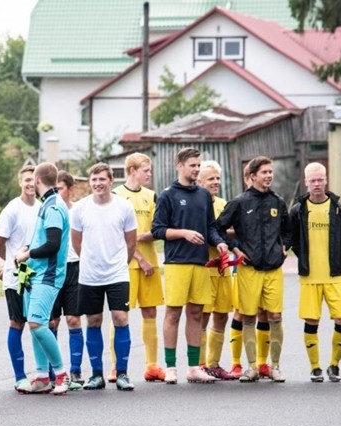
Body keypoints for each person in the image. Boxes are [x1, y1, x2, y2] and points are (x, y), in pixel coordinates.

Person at [151, 147, 227, 384]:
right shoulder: (167, 195)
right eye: (192, 165)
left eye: (198, 165)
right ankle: (171, 367)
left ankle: (193, 367)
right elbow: (157, 230)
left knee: (196, 313)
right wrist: (183, 233)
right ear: (180, 166)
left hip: (201, 263)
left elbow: (210, 227)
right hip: (177, 263)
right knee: (173, 313)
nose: (196, 169)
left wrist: (221, 243)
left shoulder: (204, 195)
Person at [215, 156, 291, 383]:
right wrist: (235, 249)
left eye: (270, 172)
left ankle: (275, 366)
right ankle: (251, 368)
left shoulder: (278, 202)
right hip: (248, 270)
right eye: (264, 172)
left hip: (273, 270)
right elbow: (218, 228)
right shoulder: (239, 203)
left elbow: (288, 231)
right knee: (248, 316)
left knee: (275, 315)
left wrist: (284, 248)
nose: (269, 175)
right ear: (252, 176)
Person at [71, 163, 138, 390]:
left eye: (102, 179)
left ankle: (122, 373)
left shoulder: (124, 207)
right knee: (94, 321)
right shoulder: (79, 208)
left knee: (121, 318)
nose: (98, 183)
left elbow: (131, 242)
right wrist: (91, 261)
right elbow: (76, 242)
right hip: (90, 275)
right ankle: (96, 374)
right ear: (89, 182)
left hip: (117, 273)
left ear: (111, 181)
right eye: (94, 180)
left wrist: (119, 264)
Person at [289, 162, 341, 382]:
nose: (316, 184)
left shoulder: (339, 209)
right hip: (309, 277)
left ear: (326, 180)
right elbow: (293, 240)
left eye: (320, 179)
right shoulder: (298, 210)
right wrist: (305, 259)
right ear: (306, 181)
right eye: (312, 180)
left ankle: (334, 366)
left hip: (335, 276)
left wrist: (337, 257)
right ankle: (315, 367)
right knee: (311, 321)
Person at [12, 162, 72, 395]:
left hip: (48, 275)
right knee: (35, 324)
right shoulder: (47, 204)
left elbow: (53, 245)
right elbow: (41, 239)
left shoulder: (54, 206)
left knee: (37, 323)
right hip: (36, 273)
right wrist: (25, 249)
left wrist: (27, 253)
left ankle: (60, 373)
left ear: (37, 180)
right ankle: (40, 376)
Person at [113, 153, 166, 382]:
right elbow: (116, 234)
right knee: (120, 315)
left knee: (150, 312)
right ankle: (116, 367)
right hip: (127, 264)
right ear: (133, 170)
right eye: (146, 170)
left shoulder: (152, 196)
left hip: (150, 263)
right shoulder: (116, 195)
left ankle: (152, 366)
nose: (149, 174)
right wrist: (139, 258)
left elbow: (158, 227)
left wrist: (148, 235)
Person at [0, 165, 40, 391]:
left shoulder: (42, 208)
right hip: (17, 279)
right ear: (20, 182)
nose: (31, 183)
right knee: (17, 323)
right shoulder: (12, 209)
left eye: (34, 179)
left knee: (41, 323)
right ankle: (20, 376)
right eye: (27, 180)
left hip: (39, 276)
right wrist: (10, 263)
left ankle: (46, 374)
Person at [196, 161, 236, 380]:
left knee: (222, 316)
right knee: (202, 317)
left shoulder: (224, 204)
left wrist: (226, 234)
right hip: (203, 268)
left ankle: (214, 364)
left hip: (224, 268)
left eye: (218, 178)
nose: (216, 182)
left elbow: (233, 230)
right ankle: (200, 365)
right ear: (200, 181)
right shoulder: (195, 203)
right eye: (211, 178)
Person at [49, 170, 85, 387]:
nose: (56, 192)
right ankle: (54, 371)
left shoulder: (79, 211)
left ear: (70, 189)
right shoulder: (49, 210)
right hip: (53, 269)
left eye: (60, 188)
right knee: (52, 321)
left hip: (75, 268)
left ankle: (76, 370)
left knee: (73, 319)